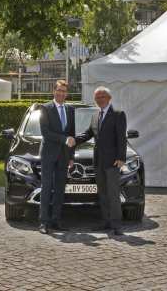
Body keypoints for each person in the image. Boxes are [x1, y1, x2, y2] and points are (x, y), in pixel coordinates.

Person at [75, 86, 126, 236]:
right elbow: (87, 134)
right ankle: (106, 222)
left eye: (102, 97)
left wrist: (121, 158)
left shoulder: (118, 114)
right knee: (102, 194)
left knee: (113, 194)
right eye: (97, 97)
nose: (99, 100)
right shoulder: (95, 116)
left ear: (109, 98)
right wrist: (72, 140)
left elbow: (121, 138)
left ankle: (117, 225)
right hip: (98, 161)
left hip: (113, 162)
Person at [38, 80, 75, 234]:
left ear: (67, 93)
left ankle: (56, 221)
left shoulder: (70, 109)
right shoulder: (45, 108)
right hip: (48, 154)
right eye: (59, 90)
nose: (61, 93)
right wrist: (63, 139)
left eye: (64, 91)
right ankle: (43, 223)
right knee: (46, 188)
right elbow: (45, 132)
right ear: (54, 91)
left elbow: (72, 133)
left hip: (64, 156)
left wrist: (71, 156)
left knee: (60, 189)